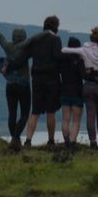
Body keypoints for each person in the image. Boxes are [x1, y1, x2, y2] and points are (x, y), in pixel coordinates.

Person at [0, 11, 36, 150]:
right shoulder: (25, 47)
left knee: (12, 114)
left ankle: (14, 140)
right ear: (24, 37)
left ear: (13, 37)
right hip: (23, 85)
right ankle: (16, 138)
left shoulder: (7, 46)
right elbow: (36, 40)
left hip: (10, 85)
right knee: (24, 114)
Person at [23, 15, 64, 148]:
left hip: (37, 79)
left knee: (34, 112)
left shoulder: (36, 39)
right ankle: (51, 141)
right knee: (51, 111)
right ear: (56, 26)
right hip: (52, 79)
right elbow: (58, 56)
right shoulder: (56, 39)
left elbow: (26, 54)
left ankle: (28, 141)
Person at [58, 36, 88, 149]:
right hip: (77, 93)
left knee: (65, 119)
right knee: (76, 121)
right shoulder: (79, 61)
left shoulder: (62, 60)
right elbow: (84, 76)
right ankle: (72, 142)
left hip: (64, 91)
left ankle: (66, 140)